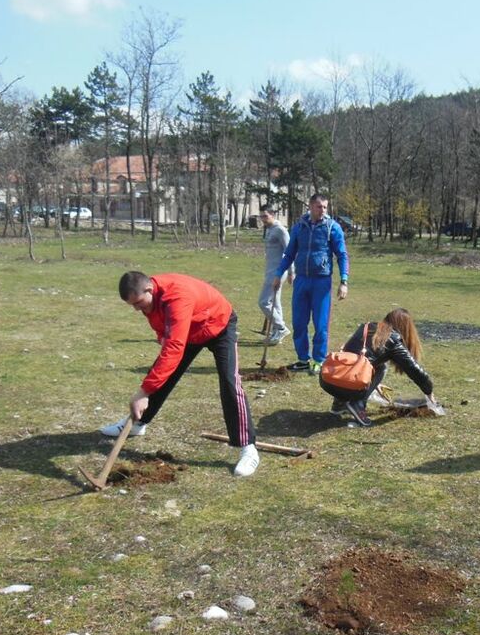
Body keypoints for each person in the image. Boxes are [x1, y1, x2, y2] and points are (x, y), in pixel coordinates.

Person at [99, 271, 259, 477]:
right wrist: (161, 338)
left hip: (219, 324)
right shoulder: (151, 299)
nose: (137, 309)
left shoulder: (176, 297)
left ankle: (248, 447)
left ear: (149, 289)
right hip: (189, 330)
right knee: (163, 370)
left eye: (138, 303)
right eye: (132, 305)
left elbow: (175, 346)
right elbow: (162, 328)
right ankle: (138, 424)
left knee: (230, 381)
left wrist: (143, 392)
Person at [319, 308, 436, 427]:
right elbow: (414, 370)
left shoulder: (366, 326)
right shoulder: (393, 339)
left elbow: (353, 357)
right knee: (382, 368)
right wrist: (429, 392)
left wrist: (375, 383)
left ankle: (339, 405)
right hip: (348, 383)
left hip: (328, 379)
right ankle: (358, 404)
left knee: (364, 364)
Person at [272, 193, 349, 374]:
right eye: (319, 207)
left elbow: (342, 255)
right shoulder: (299, 227)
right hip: (302, 281)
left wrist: (344, 281)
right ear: (310, 206)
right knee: (299, 323)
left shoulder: (332, 228)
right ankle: (303, 360)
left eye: (324, 207)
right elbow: (289, 254)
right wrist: (278, 274)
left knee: (320, 324)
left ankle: (319, 360)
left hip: (322, 282)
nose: (322, 210)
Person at [257, 205, 292, 345]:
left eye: (265, 216)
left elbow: (290, 251)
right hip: (270, 271)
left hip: (278, 272)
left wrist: (291, 272)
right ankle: (278, 332)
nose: (263, 219)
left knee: (264, 302)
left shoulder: (280, 230)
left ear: (272, 214)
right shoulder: (270, 230)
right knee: (275, 302)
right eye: (261, 216)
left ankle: (281, 327)